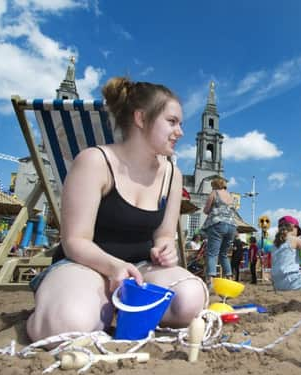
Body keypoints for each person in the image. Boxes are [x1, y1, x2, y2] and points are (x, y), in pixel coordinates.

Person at [26, 77, 208, 342]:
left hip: (140, 269)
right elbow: (75, 240)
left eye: (180, 124)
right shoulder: (94, 161)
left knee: (190, 301)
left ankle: (105, 308)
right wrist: (113, 268)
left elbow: (165, 234)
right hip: (84, 266)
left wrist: (165, 248)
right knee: (65, 326)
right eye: (172, 122)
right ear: (141, 118)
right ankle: (66, 301)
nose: (180, 132)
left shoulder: (172, 174)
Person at [201, 177, 236, 282]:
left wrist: (212, 210)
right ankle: (229, 278)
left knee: (212, 253)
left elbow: (206, 210)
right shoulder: (231, 196)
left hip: (218, 224)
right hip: (232, 226)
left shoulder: (214, 193)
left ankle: (210, 280)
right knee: (224, 254)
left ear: (215, 185)